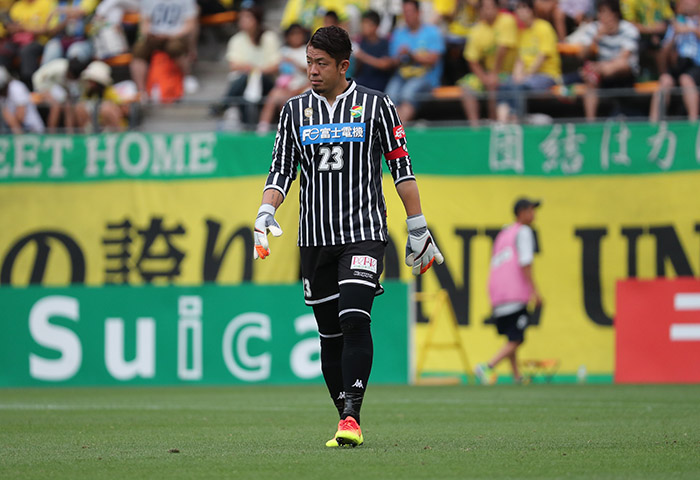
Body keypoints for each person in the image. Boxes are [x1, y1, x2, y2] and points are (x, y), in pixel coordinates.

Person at [253, 25, 443, 447]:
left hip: (363, 232)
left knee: (354, 318)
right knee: (329, 335)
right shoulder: (294, 110)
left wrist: (417, 226)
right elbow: (281, 169)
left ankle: (353, 415)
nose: (312, 71)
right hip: (314, 237)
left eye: (320, 64)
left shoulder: (377, 105)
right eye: (308, 63)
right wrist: (266, 210)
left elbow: (401, 166)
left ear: (343, 65)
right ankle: (344, 415)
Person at [475, 198, 542, 385]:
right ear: (521, 212)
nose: (534, 215)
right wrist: (535, 292)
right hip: (515, 293)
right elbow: (525, 263)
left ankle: (516, 375)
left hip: (498, 294)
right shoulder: (524, 231)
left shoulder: (504, 234)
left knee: (512, 336)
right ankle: (487, 366)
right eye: (531, 210)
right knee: (517, 339)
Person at [567, 0, 640, 121]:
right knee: (590, 75)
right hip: (601, 74)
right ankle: (590, 122)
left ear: (615, 13)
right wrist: (596, 38)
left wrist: (601, 67)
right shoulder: (594, 28)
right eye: (599, 12)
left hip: (625, 74)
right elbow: (581, 55)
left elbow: (624, 57)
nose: (600, 16)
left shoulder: (629, 29)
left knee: (620, 64)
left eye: (604, 12)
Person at [210, 5, 280, 123]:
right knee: (245, 81)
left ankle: (225, 104)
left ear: (257, 19)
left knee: (250, 78)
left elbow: (275, 66)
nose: (243, 21)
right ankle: (246, 124)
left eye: (247, 17)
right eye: (241, 18)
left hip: (267, 81)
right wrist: (252, 70)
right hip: (245, 81)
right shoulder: (236, 40)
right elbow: (233, 65)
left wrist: (255, 70)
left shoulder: (269, 37)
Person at [496, 0, 561, 123]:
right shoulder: (522, 33)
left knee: (519, 86)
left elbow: (542, 57)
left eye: (524, 8)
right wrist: (516, 76)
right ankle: (502, 121)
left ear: (531, 11)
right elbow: (520, 60)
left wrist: (525, 76)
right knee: (504, 85)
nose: (520, 12)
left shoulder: (544, 27)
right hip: (527, 76)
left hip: (547, 75)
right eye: (518, 9)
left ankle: (517, 120)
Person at [458, 0, 518, 126]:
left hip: (509, 73)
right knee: (466, 86)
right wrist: (484, 78)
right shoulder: (477, 30)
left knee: (493, 84)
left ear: (497, 8)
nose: (487, 11)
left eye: (490, 7)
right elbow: (472, 59)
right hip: (488, 74)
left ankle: (494, 124)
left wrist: (494, 74)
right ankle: (475, 127)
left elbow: (503, 49)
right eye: (484, 8)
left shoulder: (507, 20)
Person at [385, 0, 445, 122]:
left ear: (418, 12)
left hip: (426, 77)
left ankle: (398, 131)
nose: (407, 16)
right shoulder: (398, 34)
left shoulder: (432, 32)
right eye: (405, 12)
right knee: (390, 95)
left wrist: (411, 55)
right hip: (402, 76)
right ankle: (393, 130)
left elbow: (433, 59)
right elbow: (393, 61)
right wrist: (400, 57)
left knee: (408, 93)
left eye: (410, 12)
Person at [130, 0, 199, 100]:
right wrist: (150, 33)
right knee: (138, 50)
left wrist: (172, 35)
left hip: (177, 35)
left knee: (175, 47)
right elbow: (145, 22)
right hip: (154, 35)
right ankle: (141, 91)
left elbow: (191, 23)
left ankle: (186, 76)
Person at [650, 0, 700, 122]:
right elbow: (664, 52)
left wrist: (690, 29)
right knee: (664, 80)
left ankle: (693, 123)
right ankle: (653, 124)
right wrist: (674, 35)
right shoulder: (676, 23)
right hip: (679, 64)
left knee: (686, 79)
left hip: (696, 65)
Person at [255, 23, 310, 134]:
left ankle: (295, 129)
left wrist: (294, 63)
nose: (296, 37)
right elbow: (276, 69)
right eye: (293, 34)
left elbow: (310, 72)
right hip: (285, 88)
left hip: (303, 86)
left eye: (299, 34)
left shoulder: (307, 51)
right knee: (273, 96)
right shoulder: (283, 51)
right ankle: (263, 127)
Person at [32, 57, 88, 132]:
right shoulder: (58, 68)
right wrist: (44, 92)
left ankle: (70, 133)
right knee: (56, 105)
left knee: (69, 105)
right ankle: (52, 133)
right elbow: (37, 78)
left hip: (57, 89)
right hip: (42, 87)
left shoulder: (76, 73)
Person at [352, 10, 393, 92]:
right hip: (361, 82)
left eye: (367, 24)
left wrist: (362, 56)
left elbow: (385, 64)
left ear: (375, 26)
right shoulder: (360, 42)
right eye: (363, 23)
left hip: (379, 84)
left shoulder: (384, 43)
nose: (363, 27)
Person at [0, 65, 45, 133]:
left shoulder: (16, 87)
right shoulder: (3, 95)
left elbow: (20, 117)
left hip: (32, 130)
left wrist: (7, 114)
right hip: (14, 131)